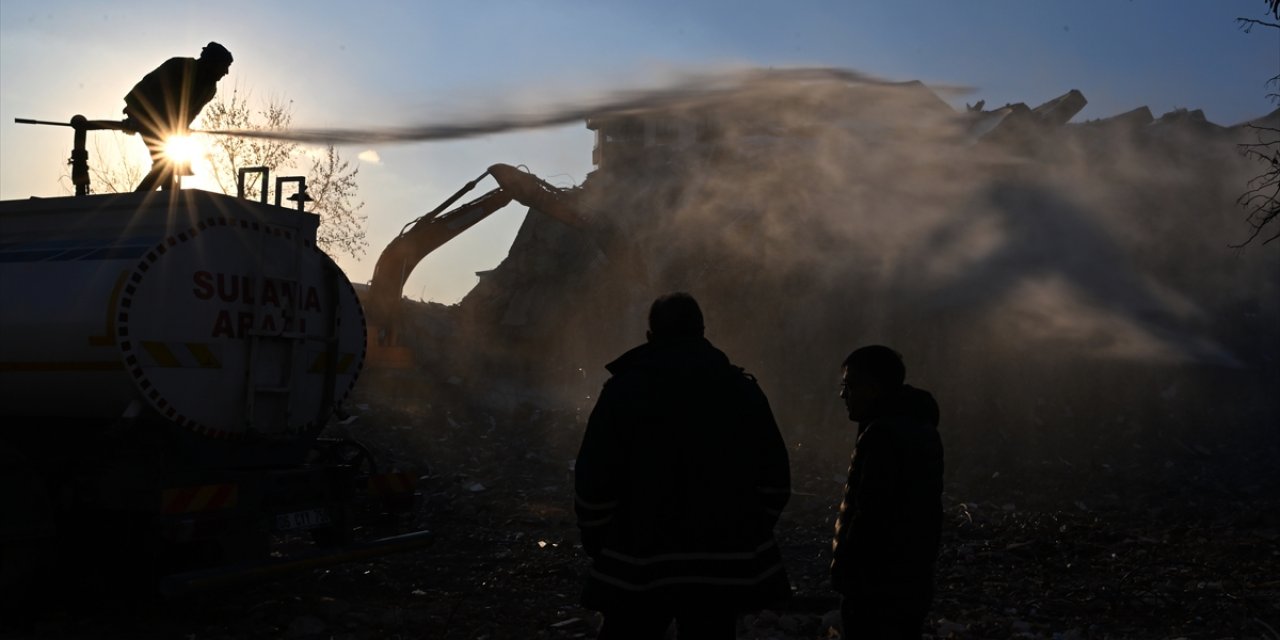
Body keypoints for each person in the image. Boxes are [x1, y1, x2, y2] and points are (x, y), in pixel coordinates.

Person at [574, 292, 791, 639]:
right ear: (702, 331)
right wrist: (747, 530)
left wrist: (602, 539)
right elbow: (775, 479)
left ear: (650, 335)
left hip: (638, 562)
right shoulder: (740, 390)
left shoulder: (623, 391)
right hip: (722, 567)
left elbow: (594, 478)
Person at [831, 345, 943, 639]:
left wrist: (847, 575)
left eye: (850, 386)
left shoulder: (883, 436)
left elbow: (870, 517)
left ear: (874, 388)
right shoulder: (919, 428)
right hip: (910, 583)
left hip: (878, 589)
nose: (844, 395)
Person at [121, 42, 233, 192]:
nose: (226, 72)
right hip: (145, 115)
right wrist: (134, 114)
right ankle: (138, 202)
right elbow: (147, 88)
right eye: (224, 66)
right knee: (165, 165)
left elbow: (192, 112)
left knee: (164, 166)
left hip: (166, 126)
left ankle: (167, 199)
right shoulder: (179, 66)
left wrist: (183, 127)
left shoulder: (210, 89)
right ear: (212, 62)